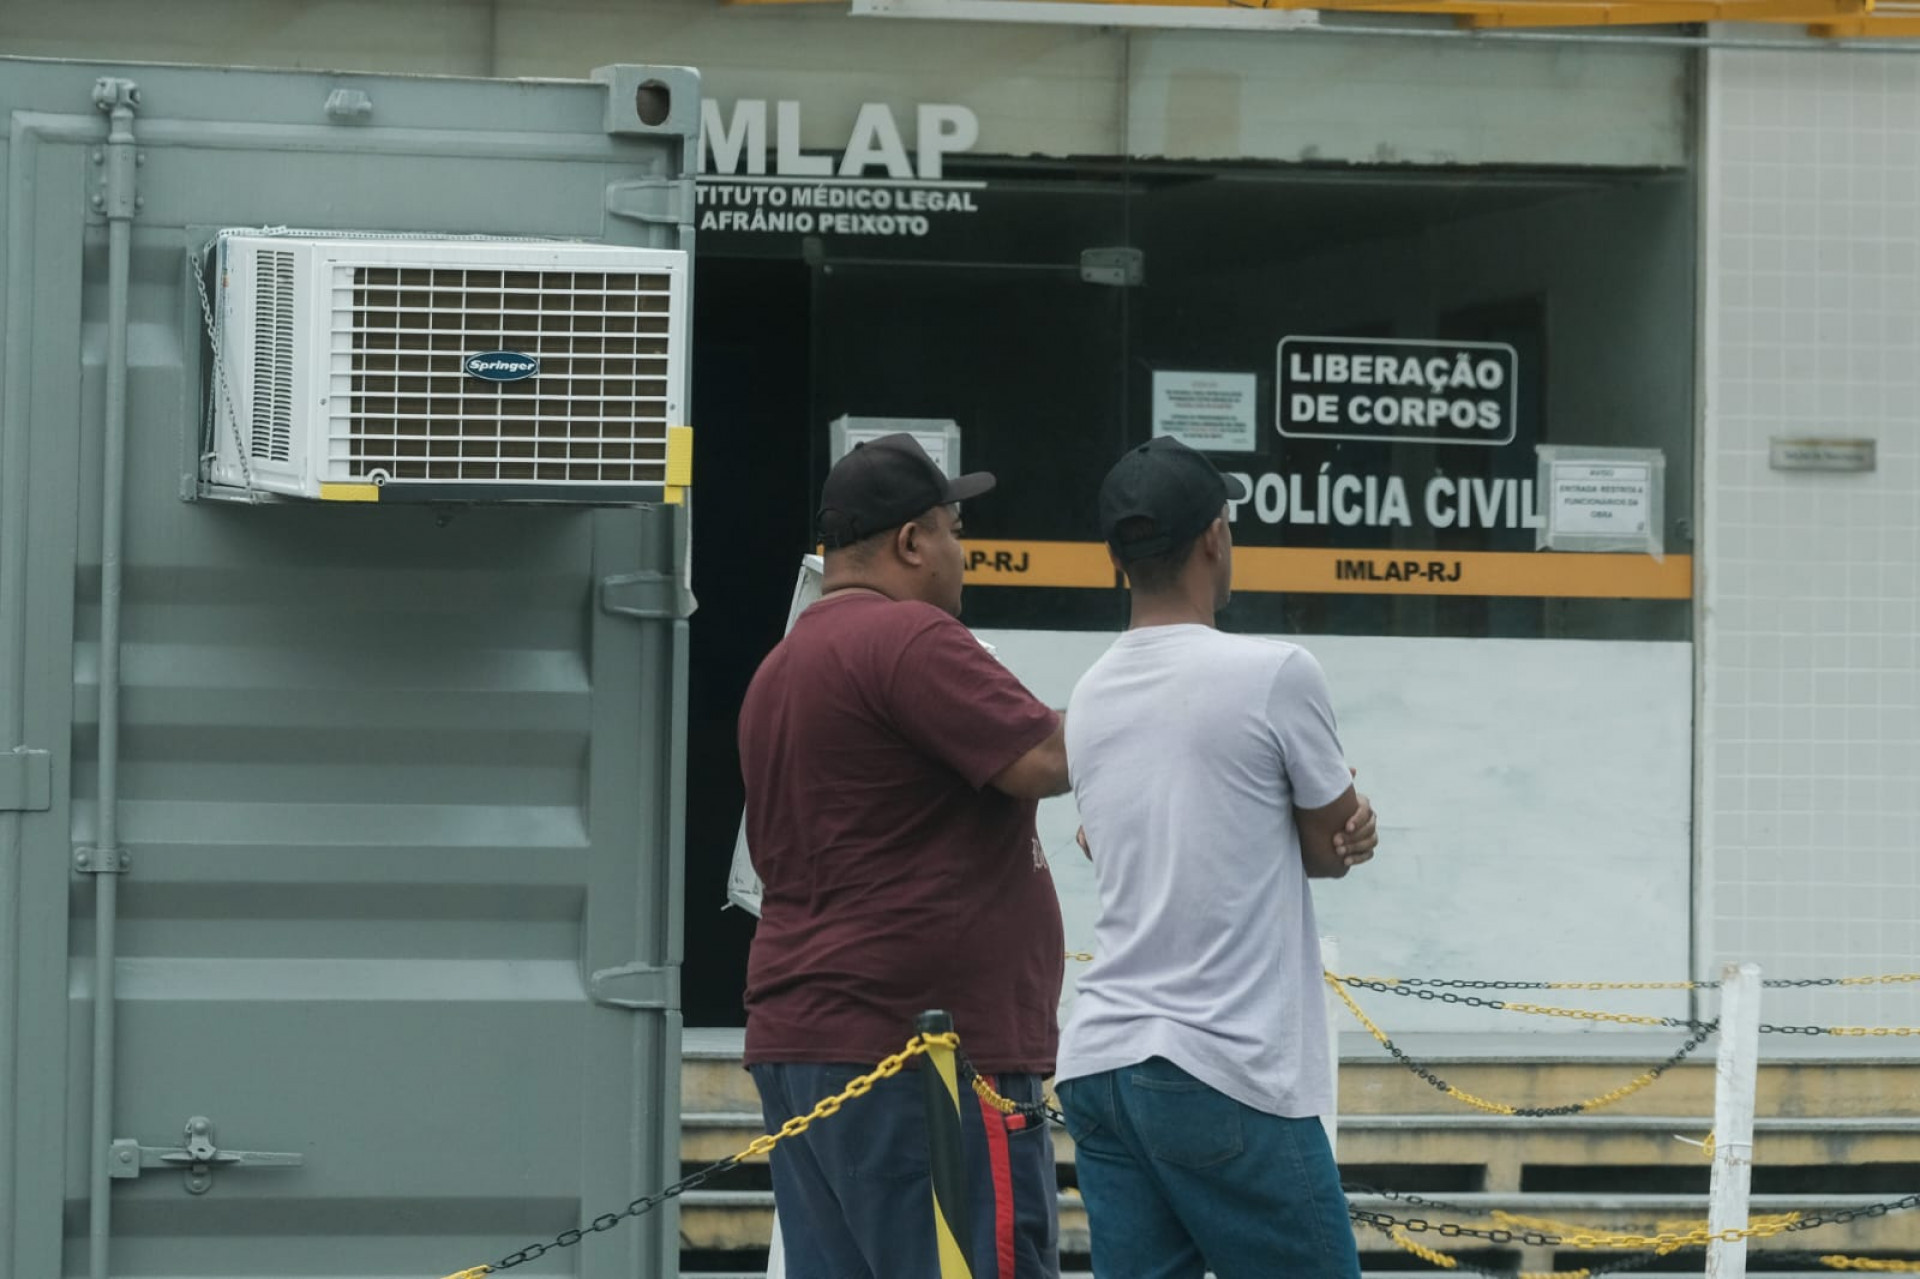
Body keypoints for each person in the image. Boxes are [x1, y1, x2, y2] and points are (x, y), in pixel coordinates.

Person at [737, 432, 1069, 1279]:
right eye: (954, 529)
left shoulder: (781, 666)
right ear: (911, 541)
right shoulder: (913, 639)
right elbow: (1050, 759)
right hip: (924, 1057)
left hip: (806, 1044)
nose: (963, 553)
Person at [1054, 436, 1380, 1279]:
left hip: (1102, 1063)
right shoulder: (1274, 672)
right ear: (1215, 537)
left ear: (1116, 559)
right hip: (1223, 1062)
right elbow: (1330, 842)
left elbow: (1108, 837)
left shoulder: (1088, 695)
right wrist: (1348, 829)